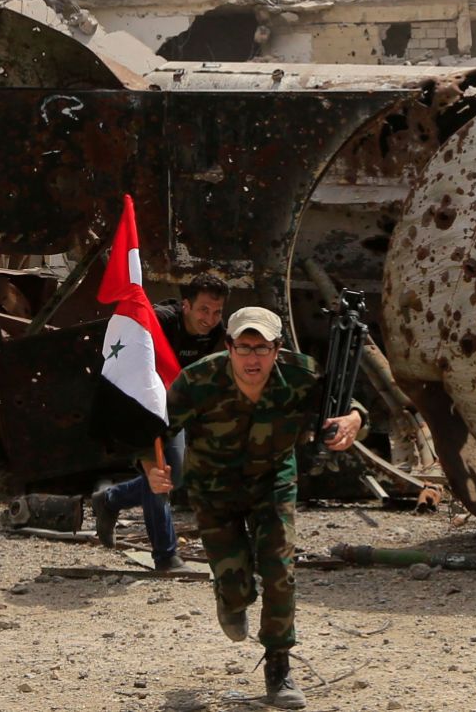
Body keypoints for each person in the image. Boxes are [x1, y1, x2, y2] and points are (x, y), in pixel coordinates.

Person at [146, 306, 363, 710]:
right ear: (228, 346)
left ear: (277, 349)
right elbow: (154, 430)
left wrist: (352, 421)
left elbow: (347, 405)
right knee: (236, 584)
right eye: (243, 347)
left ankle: (278, 667)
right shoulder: (199, 380)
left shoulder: (302, 375)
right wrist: (152, 470)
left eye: (261, 348)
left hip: (273, 482)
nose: (252, 358)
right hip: (214, 490)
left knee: (280, 570)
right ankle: (231, 599)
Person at [91, 273, 227, 571]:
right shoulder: (159, 322)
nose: (210, 319)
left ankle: (110, 500)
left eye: (217, 312)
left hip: (173, 408)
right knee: (161, 476)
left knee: (175, 477)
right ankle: (165, 556)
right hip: (139, 405)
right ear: (186, 306)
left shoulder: (217, 332)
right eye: (204, 310)